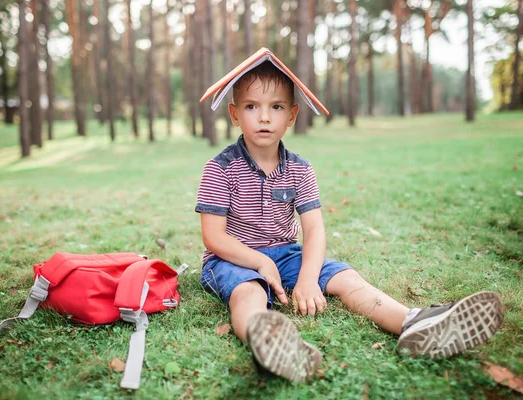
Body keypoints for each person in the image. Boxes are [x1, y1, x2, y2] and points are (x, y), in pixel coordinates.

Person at [194, 59, 505, 383]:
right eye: (250, 106)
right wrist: (258, 262)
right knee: (249, 292)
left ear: (292, 115)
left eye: (276, 106)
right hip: (231, 259)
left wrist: (308, 279)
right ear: (234, 114)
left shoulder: (301, 169)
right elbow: (214, 237)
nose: (264, 117)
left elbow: (314, 229)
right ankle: (268, 344)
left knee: (346, 278)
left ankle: (413, 323)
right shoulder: (220, 168)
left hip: (286, 253)